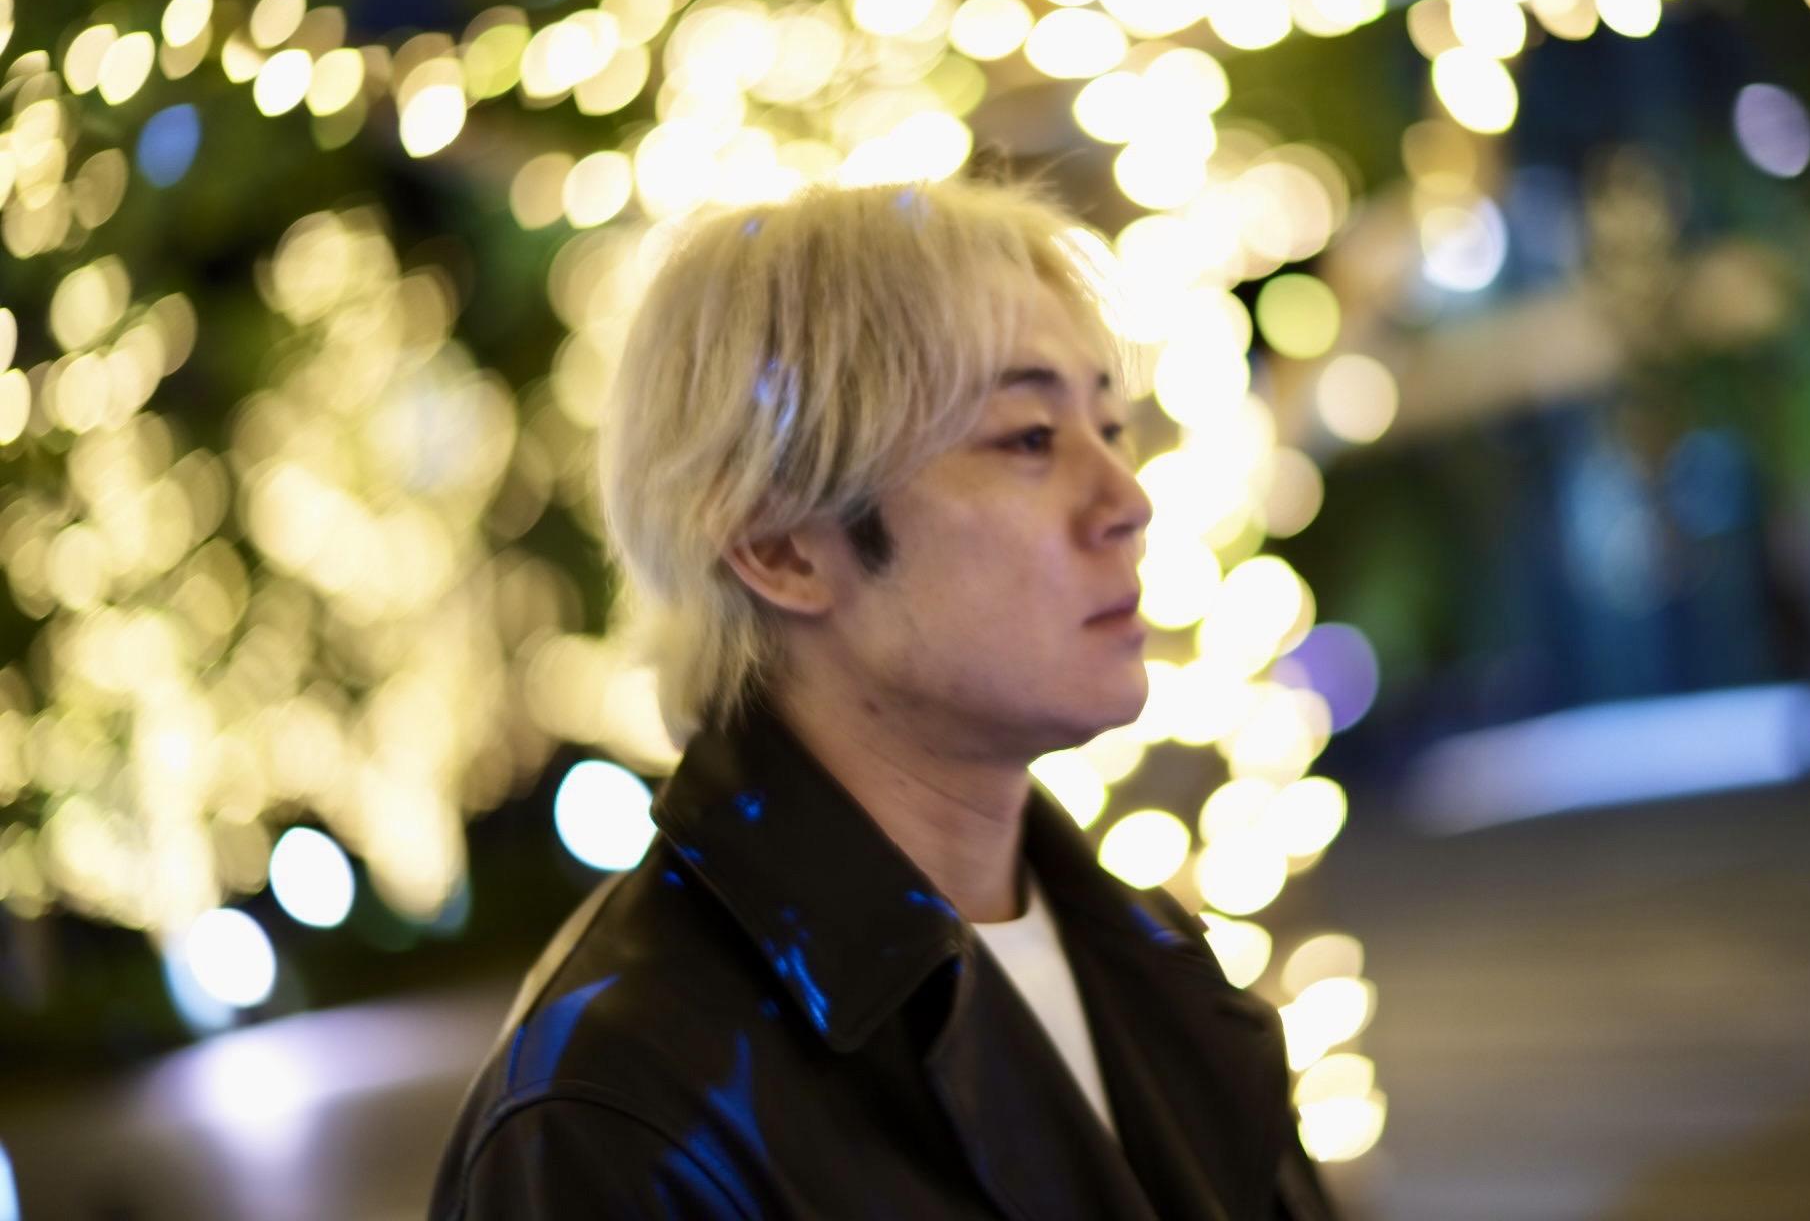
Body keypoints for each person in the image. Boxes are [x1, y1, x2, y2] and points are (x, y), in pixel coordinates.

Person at [429, 177, 1338, 1219]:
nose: (1126, 500)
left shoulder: (1160, 962)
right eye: (1028, 437)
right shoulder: (624, 1114)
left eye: (1110, 424)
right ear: (779, 545)